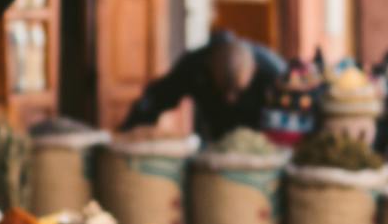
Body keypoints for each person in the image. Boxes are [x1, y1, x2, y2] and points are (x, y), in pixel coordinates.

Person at [121, 29, 286, 142]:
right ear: (209, 67)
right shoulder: (194, 64)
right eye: (224, 90)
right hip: (213, 140)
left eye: (237, 91)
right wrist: (129, 135)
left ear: (254, 70)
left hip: (260, 142)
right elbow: (157, 98)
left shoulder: (273, 71)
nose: (229, 98)